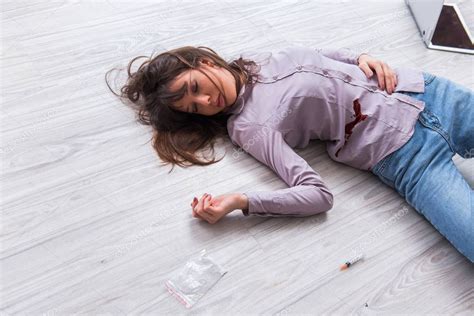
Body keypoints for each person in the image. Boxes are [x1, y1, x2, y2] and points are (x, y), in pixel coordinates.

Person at [106, 45, 473, 262]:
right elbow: (318, 196)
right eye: (194, 108)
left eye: (195, 88)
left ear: (203, 63)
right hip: (404, 157)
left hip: (427, 93)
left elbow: (321, 54)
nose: (205, 101)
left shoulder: (260, 58)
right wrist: (241, 201)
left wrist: (362, 56)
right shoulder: (247, 128)